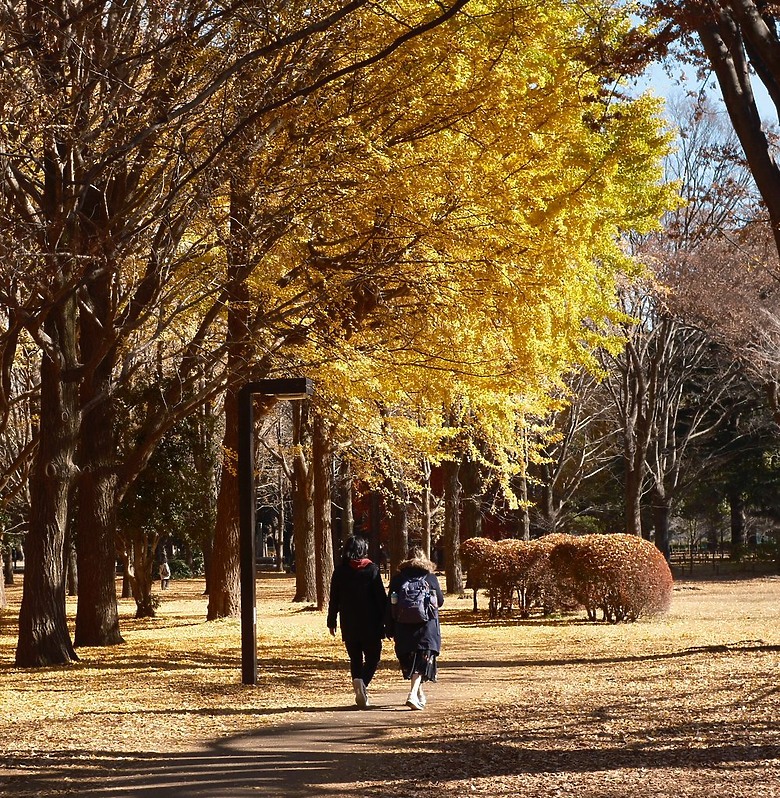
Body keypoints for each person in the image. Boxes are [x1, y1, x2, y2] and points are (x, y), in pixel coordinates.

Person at [327, 535, 387, 708]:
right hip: (371, 623)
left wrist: (332, 621)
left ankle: (358, 686)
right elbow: (380, 598)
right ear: (363, 550)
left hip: (349, 623)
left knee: (355, 658)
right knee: (373, 657)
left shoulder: (340, 571)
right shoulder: (372, 569)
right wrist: (387, 621)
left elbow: (334, 599)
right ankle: (363, 683)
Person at [385, 545, 444, 711]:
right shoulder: (430, 577)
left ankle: (419, 693)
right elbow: (439, 601)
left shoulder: (398, 578)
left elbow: (389, 604)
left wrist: (389, 627)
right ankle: (412, 694)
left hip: (403, 628)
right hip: (426, 628)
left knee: (412, 663)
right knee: (421, 663)